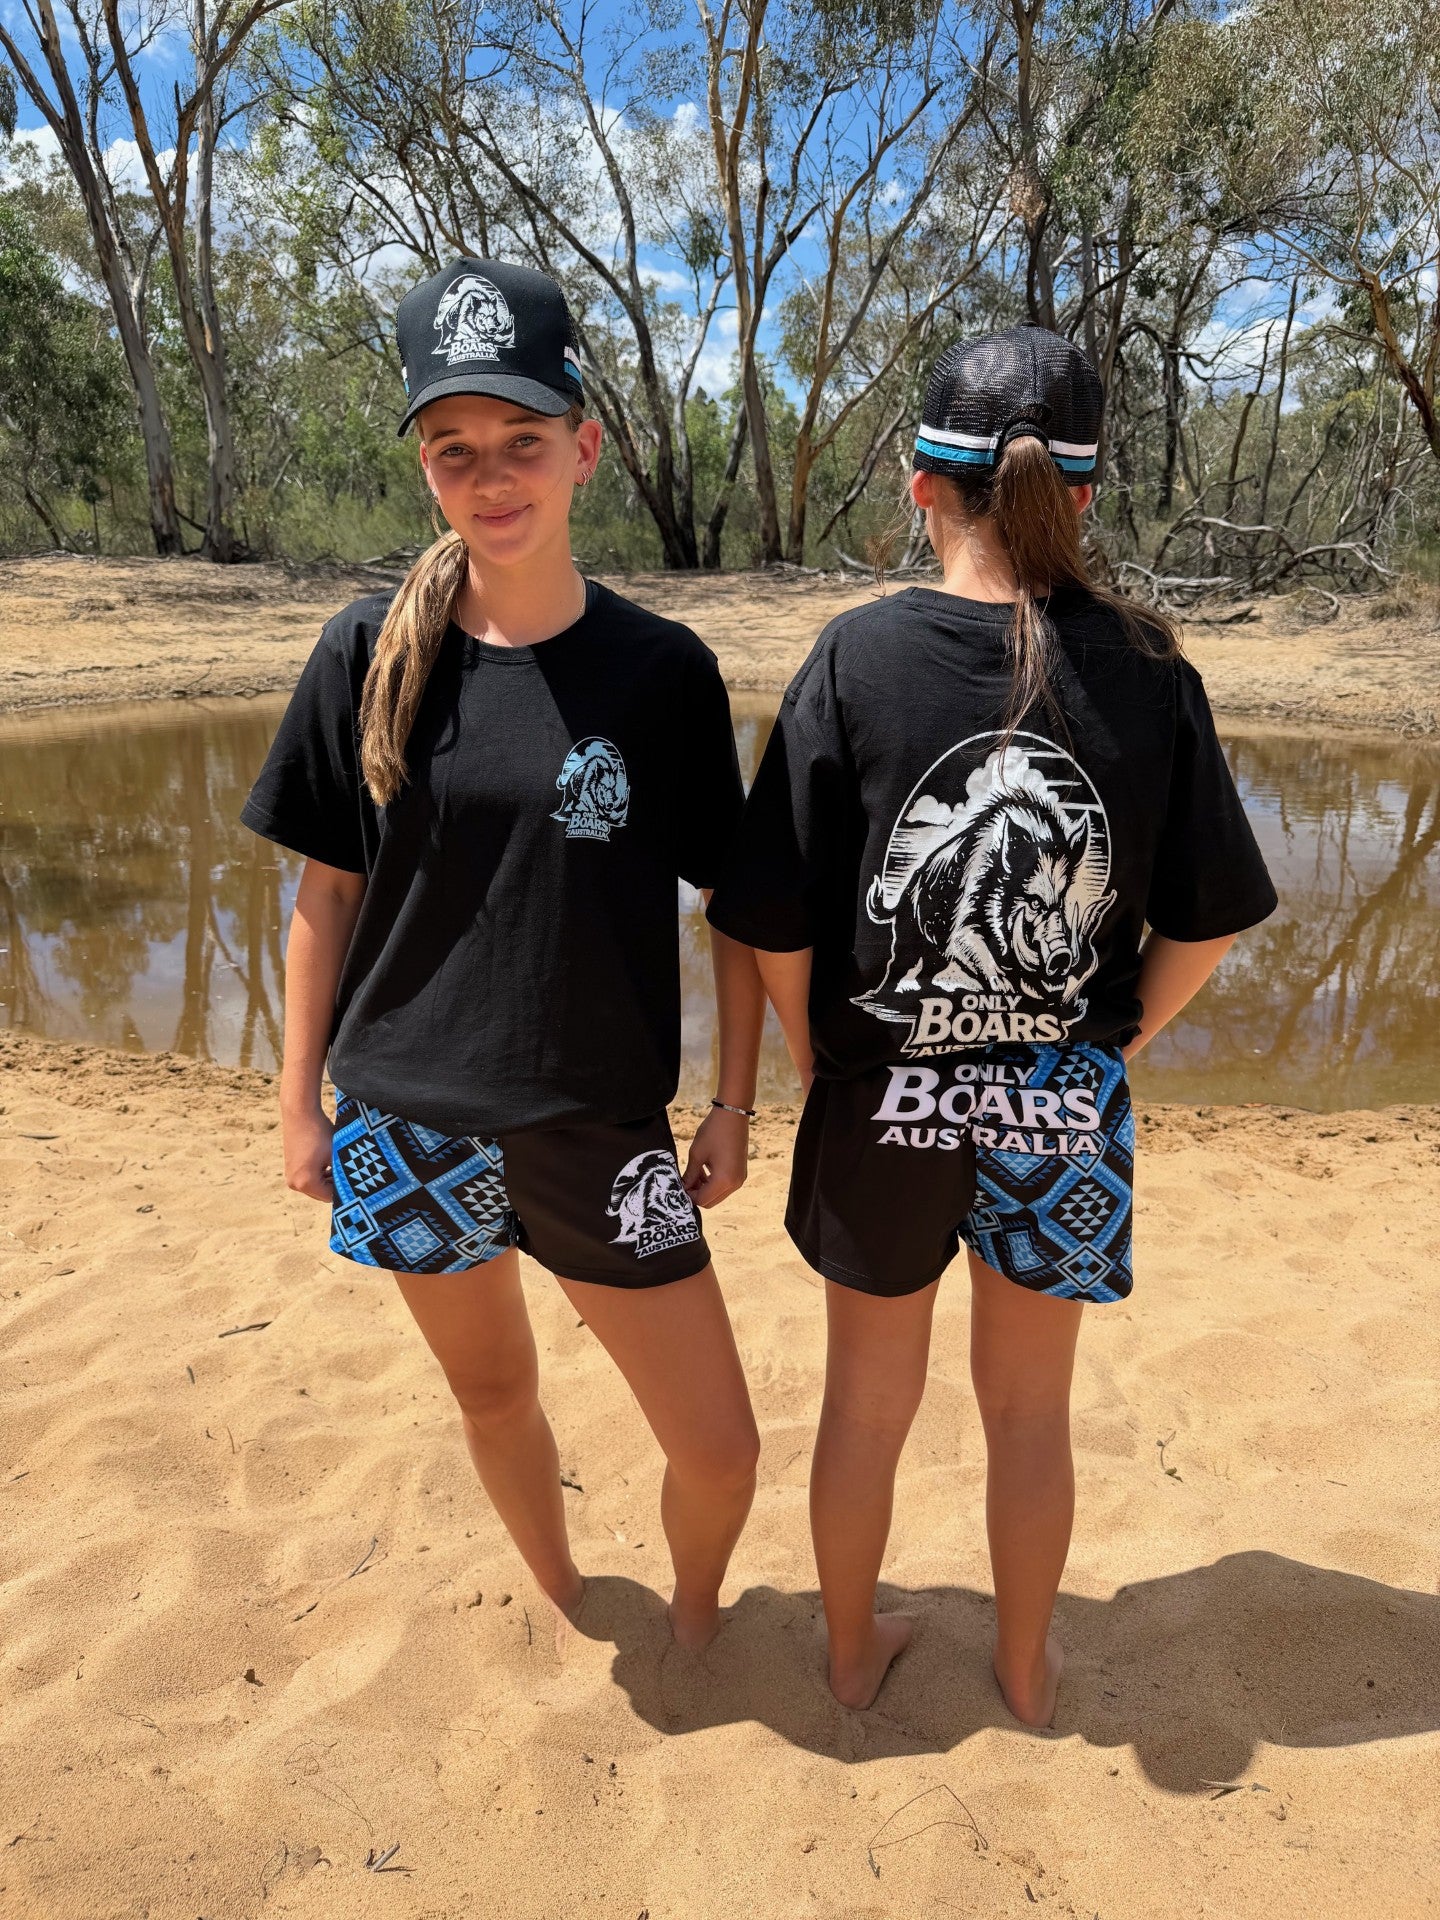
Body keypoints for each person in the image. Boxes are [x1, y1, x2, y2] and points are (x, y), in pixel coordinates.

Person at [707, 324, 1277, 1718]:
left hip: (883, 1102)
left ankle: (850, 1658)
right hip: (1059, 1112)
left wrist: (809, 1046)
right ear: (1084, 495)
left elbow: (767, 915)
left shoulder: (855, 661)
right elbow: (1204, 921)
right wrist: (1112, 1041)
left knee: (866, 1408)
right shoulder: (1149, 671)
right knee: (1028, 1415)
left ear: (921, 486)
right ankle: (1027, 1669)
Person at [242, 258, 765, 1649]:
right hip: (406, 1121)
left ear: (585, 447)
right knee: (493, 1398)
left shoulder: (662, 675)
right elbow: (326, 897)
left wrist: (731, 1101)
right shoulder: (368, 652)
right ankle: (570, 1593)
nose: (491, 478)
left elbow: (736, 905)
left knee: (721, 1453)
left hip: (600, 1128)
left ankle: (700, 1615)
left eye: (522, 442)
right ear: (425, 464)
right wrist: (300, 1106)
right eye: (453, 449)